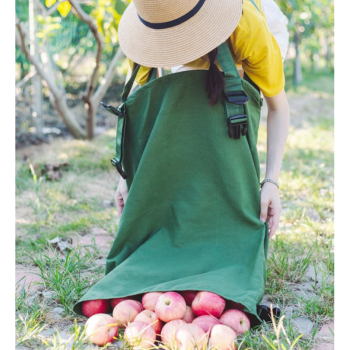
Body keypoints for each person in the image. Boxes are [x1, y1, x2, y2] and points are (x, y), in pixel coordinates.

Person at [73, 0, 290, 323]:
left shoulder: (248, 26)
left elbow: (278, 107)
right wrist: (127, 177)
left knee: (227, 132)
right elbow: (144, 122)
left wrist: (271, 182)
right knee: (182, 112)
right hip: (188, 45)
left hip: (242, 44)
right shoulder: (151, 27)